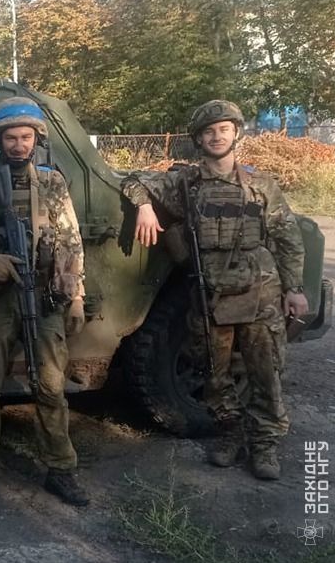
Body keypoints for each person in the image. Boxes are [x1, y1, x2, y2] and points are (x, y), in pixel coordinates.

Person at [121, 99, 308, 480]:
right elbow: (133, 181)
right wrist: (145, 208)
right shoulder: (185, 183)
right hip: (210, 294)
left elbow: (287, 238)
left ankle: (265, 445)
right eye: (209, 132)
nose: (216, 137)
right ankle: (230, 434)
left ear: (236, 134)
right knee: (214, 373)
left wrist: (295, 288)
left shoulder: (260, 185)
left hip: (260, 291)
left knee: (265, 372)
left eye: (224, 130)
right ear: (198, 139)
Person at [0, 97, 89, 508]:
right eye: (11, 137)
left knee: (51, 387)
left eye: (26, 137)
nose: (19, 144)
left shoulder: (53, 183)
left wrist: (77, 296)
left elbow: (71, 242)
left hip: (43, 296)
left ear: (37, 139)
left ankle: (61, 469)